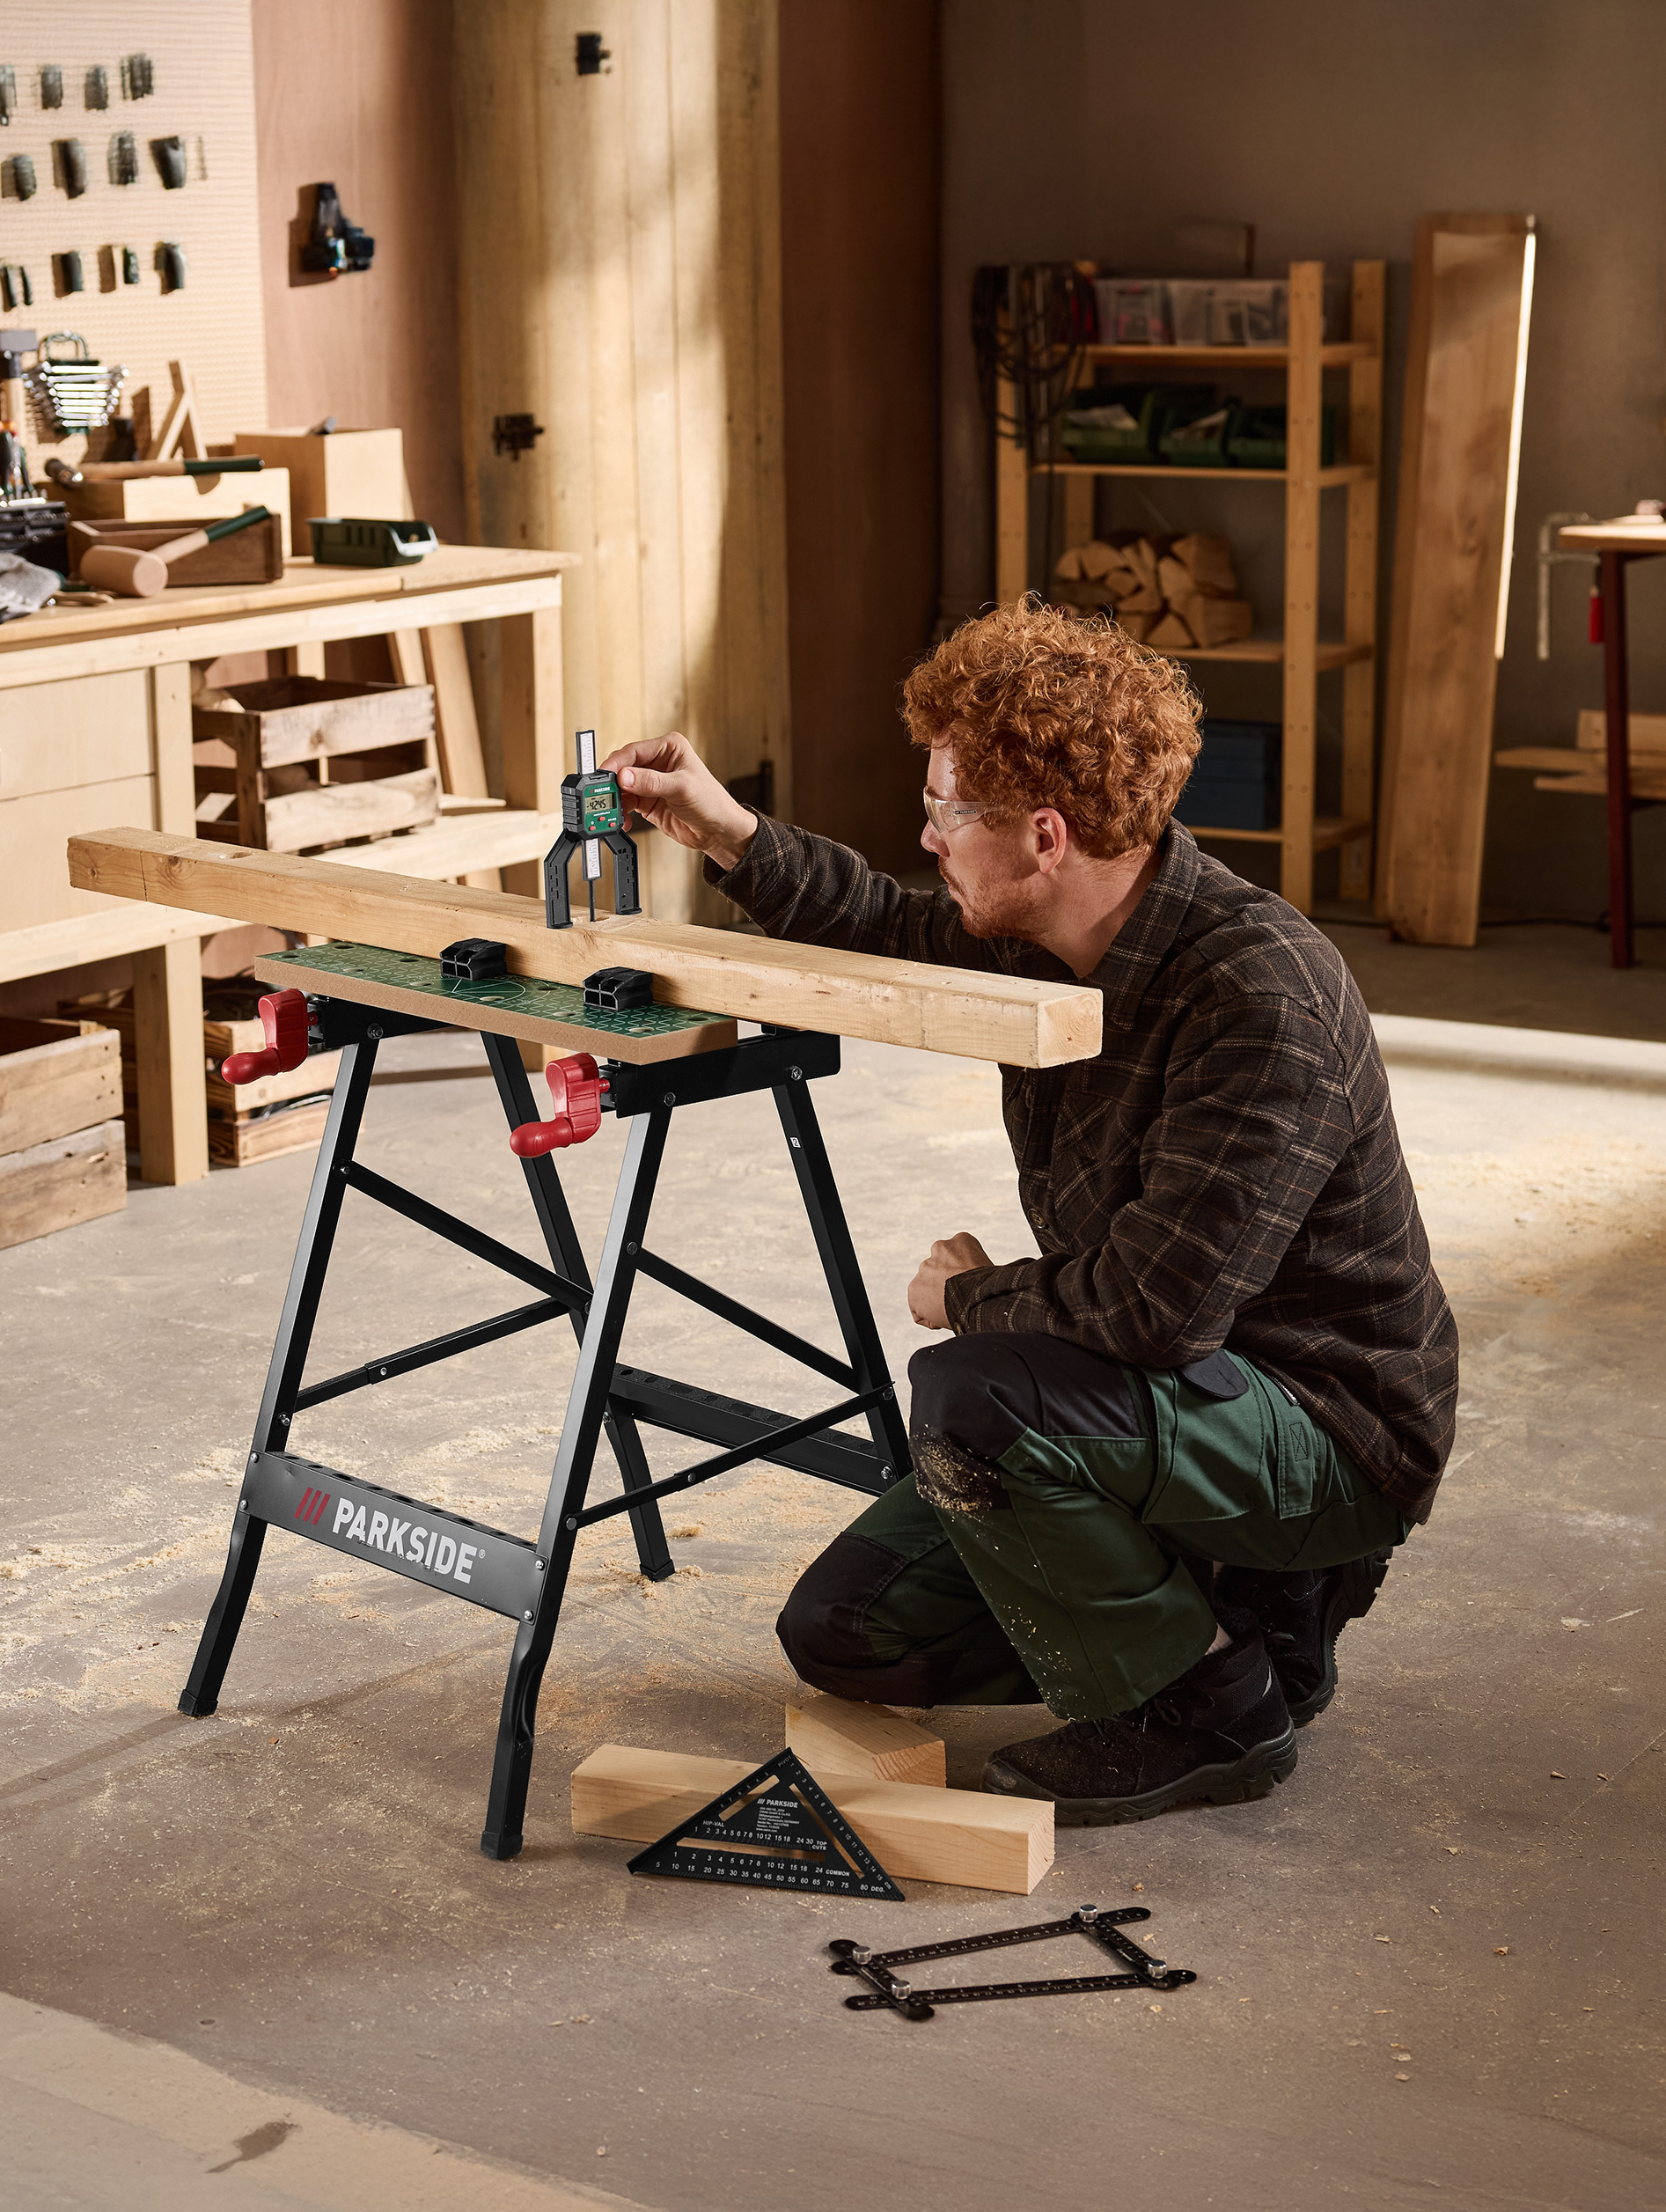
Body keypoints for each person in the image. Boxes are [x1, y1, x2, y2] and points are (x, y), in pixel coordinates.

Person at [605, 599, 1457, 1825]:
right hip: (1168, 1398)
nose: (928, 834)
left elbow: (1156, 1314)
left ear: (1045, 835)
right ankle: (1240, 1616)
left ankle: (1215, 1706)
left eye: (949, 810)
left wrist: (966, 1297)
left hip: (1322, 1427)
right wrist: (725, 829)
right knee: (848, 1633)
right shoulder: (1050, 936)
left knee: (978, 1394)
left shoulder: (1257, 996)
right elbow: (888, 926)